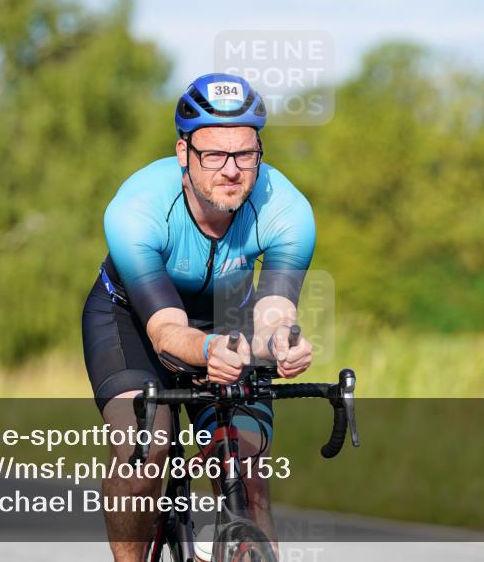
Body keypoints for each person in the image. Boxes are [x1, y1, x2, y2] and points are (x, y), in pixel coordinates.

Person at [81, 72, 317, 561]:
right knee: (144, 450)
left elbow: (273, 312)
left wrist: (281, 343)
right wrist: (208, 351)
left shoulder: (287, 210)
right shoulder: (136, 210)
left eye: (245, 154)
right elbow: (166, 331)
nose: (231, 170)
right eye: (213, 155)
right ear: (183, 152)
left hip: (227, 315)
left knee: (248, 472)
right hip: (134, 320)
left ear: (259, 152)